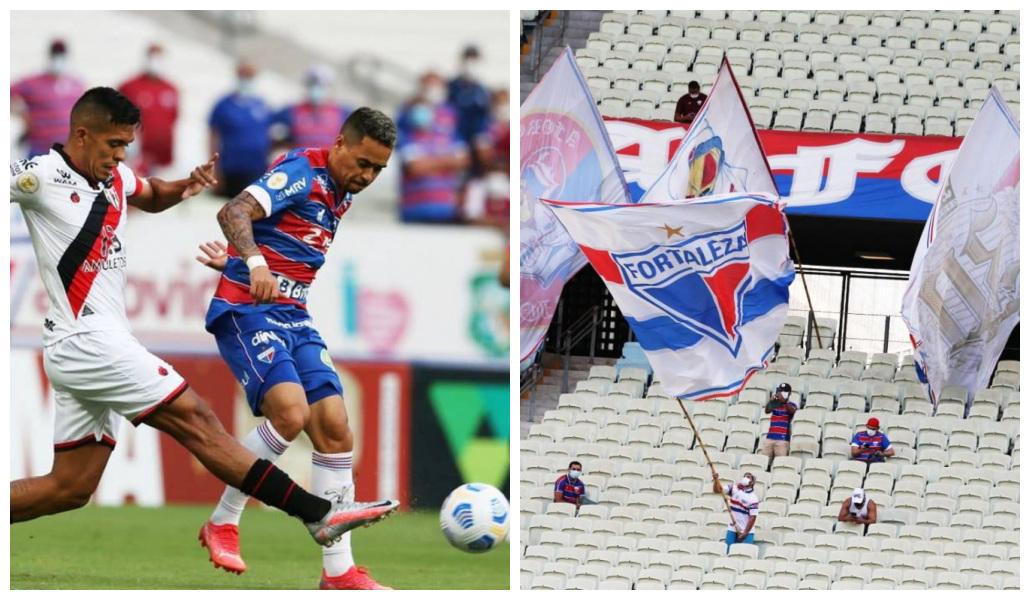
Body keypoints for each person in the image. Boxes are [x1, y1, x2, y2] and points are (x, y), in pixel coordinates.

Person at [8, 88, 396, 550]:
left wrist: (184, 186)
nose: (121, 156)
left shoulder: (112, 175)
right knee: (195, 418)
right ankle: (316, 514)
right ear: (81, 134)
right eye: (114, 145)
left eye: (126, 146)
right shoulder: (40, 174)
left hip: (89, 341)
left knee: (69, 488)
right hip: (87, 338)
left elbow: (149, 194)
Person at [193, 107, 398, 590]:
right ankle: (223, 520)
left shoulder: (340, 191)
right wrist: (253, 265)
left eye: (378, 170)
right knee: (290, 413)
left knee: (334, 427)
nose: (367, 176)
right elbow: (234, 210)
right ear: (341, 144)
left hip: (293, 314)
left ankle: (339, 574)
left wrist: (244, 260)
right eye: (363, 163)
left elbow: (282, 237)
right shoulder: (303, 172)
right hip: (248, 310)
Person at [396, 72, 469, 223]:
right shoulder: (407, 122)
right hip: (414, 208)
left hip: (447, 208)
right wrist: (447, 162)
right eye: (429, 86)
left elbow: (463, 161)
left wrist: (429, 162)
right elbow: (414, 167)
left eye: (437, 86)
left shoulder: (450, 119)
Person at [11, 39, 86, 158]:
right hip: (39, 148)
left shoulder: (76, 84)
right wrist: (22, 114)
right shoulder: (32, 83)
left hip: (67, 150)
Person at [208, 61, 273, 198]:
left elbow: (269, 135)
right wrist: (214, 170)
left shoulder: (262, 104)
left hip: (257, 168)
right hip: (231, 168)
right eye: (244, 75)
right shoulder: (223, 105)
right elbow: (213, 137)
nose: (247, 80)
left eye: (250, 76)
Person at [118, 43, 180, 175]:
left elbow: (174, 118)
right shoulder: (129, 86)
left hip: (162, 155)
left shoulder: (171, 88)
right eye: (152, 57)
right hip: (136, 155)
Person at [271, 65, 351, 151]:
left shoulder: (342, 113)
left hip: (329, 162)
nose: (316, 89)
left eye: (322, 85)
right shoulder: (292, 111)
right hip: (301, 162)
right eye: (312, 84)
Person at [447, 45, 491, 170]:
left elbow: (486, 116)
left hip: (477, 138)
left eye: (474, 61)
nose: (470, 65)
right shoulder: (451, 87)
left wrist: (482, 137)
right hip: (456, 137)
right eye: (468, 61)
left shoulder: (482, 90)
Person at [713, 472, 759, 549]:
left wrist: (745, 533)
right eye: (745, 476)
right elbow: (718, 490)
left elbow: (752, 517)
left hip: (746, 531)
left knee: (744, 553)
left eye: (748, 477)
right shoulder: (734, 488)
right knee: (728, 551)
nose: (746, 478)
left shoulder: (753, 498)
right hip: (732, 528)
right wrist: (715, 480)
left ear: (752, 482)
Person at [761, 383, 797, 465]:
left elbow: (792, 411)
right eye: (780, 391)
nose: (781, 394)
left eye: (783, 392)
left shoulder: (791, 405)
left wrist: (784, 401)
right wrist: (771, 400)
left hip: (782, 439)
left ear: (788, 394)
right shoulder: (775, 404)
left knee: (780, 463)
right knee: (764, 462)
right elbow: (767, 410)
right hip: (770, 437)